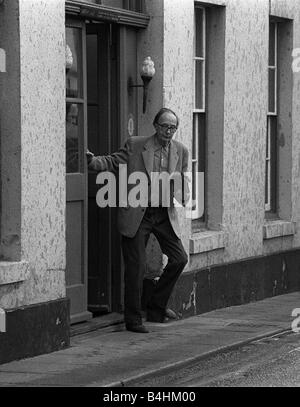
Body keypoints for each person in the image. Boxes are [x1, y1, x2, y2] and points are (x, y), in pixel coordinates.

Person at [87, 108, 189, 333]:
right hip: (138, 214)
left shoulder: (181, 151)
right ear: (155, 126)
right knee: (137, 267)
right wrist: (92, 162)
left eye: (172, 128)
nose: (168, 131)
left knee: (180, 258)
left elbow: (184, 186)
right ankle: (133, 320)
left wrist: (180, 189)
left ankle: (155, 306)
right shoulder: (135, 145)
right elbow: (113, 162)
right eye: (164, 126)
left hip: (163, 215)